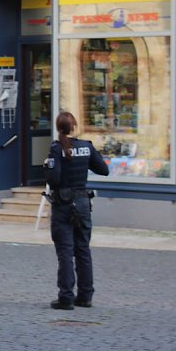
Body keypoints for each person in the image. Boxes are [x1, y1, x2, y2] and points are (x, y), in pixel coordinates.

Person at [43, 111, 109, 310]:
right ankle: (85, 295)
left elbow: (53, 179)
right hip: (82, 203)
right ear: (75, 127)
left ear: (58, 128)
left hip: (63, 204)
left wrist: (46, 168)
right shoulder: (86, 147)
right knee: (83, 250)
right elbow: (103, 170)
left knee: (65, 252)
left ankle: (65, 297)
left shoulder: (57, 149)